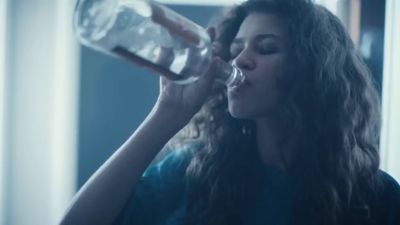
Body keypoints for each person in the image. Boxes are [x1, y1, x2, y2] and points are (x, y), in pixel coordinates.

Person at [60, 0, 400, 225]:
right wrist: (166, 113)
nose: (240, 60)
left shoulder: (376, 198)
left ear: (313, 72)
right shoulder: (193, 173)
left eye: (265, 48)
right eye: (236, 49)